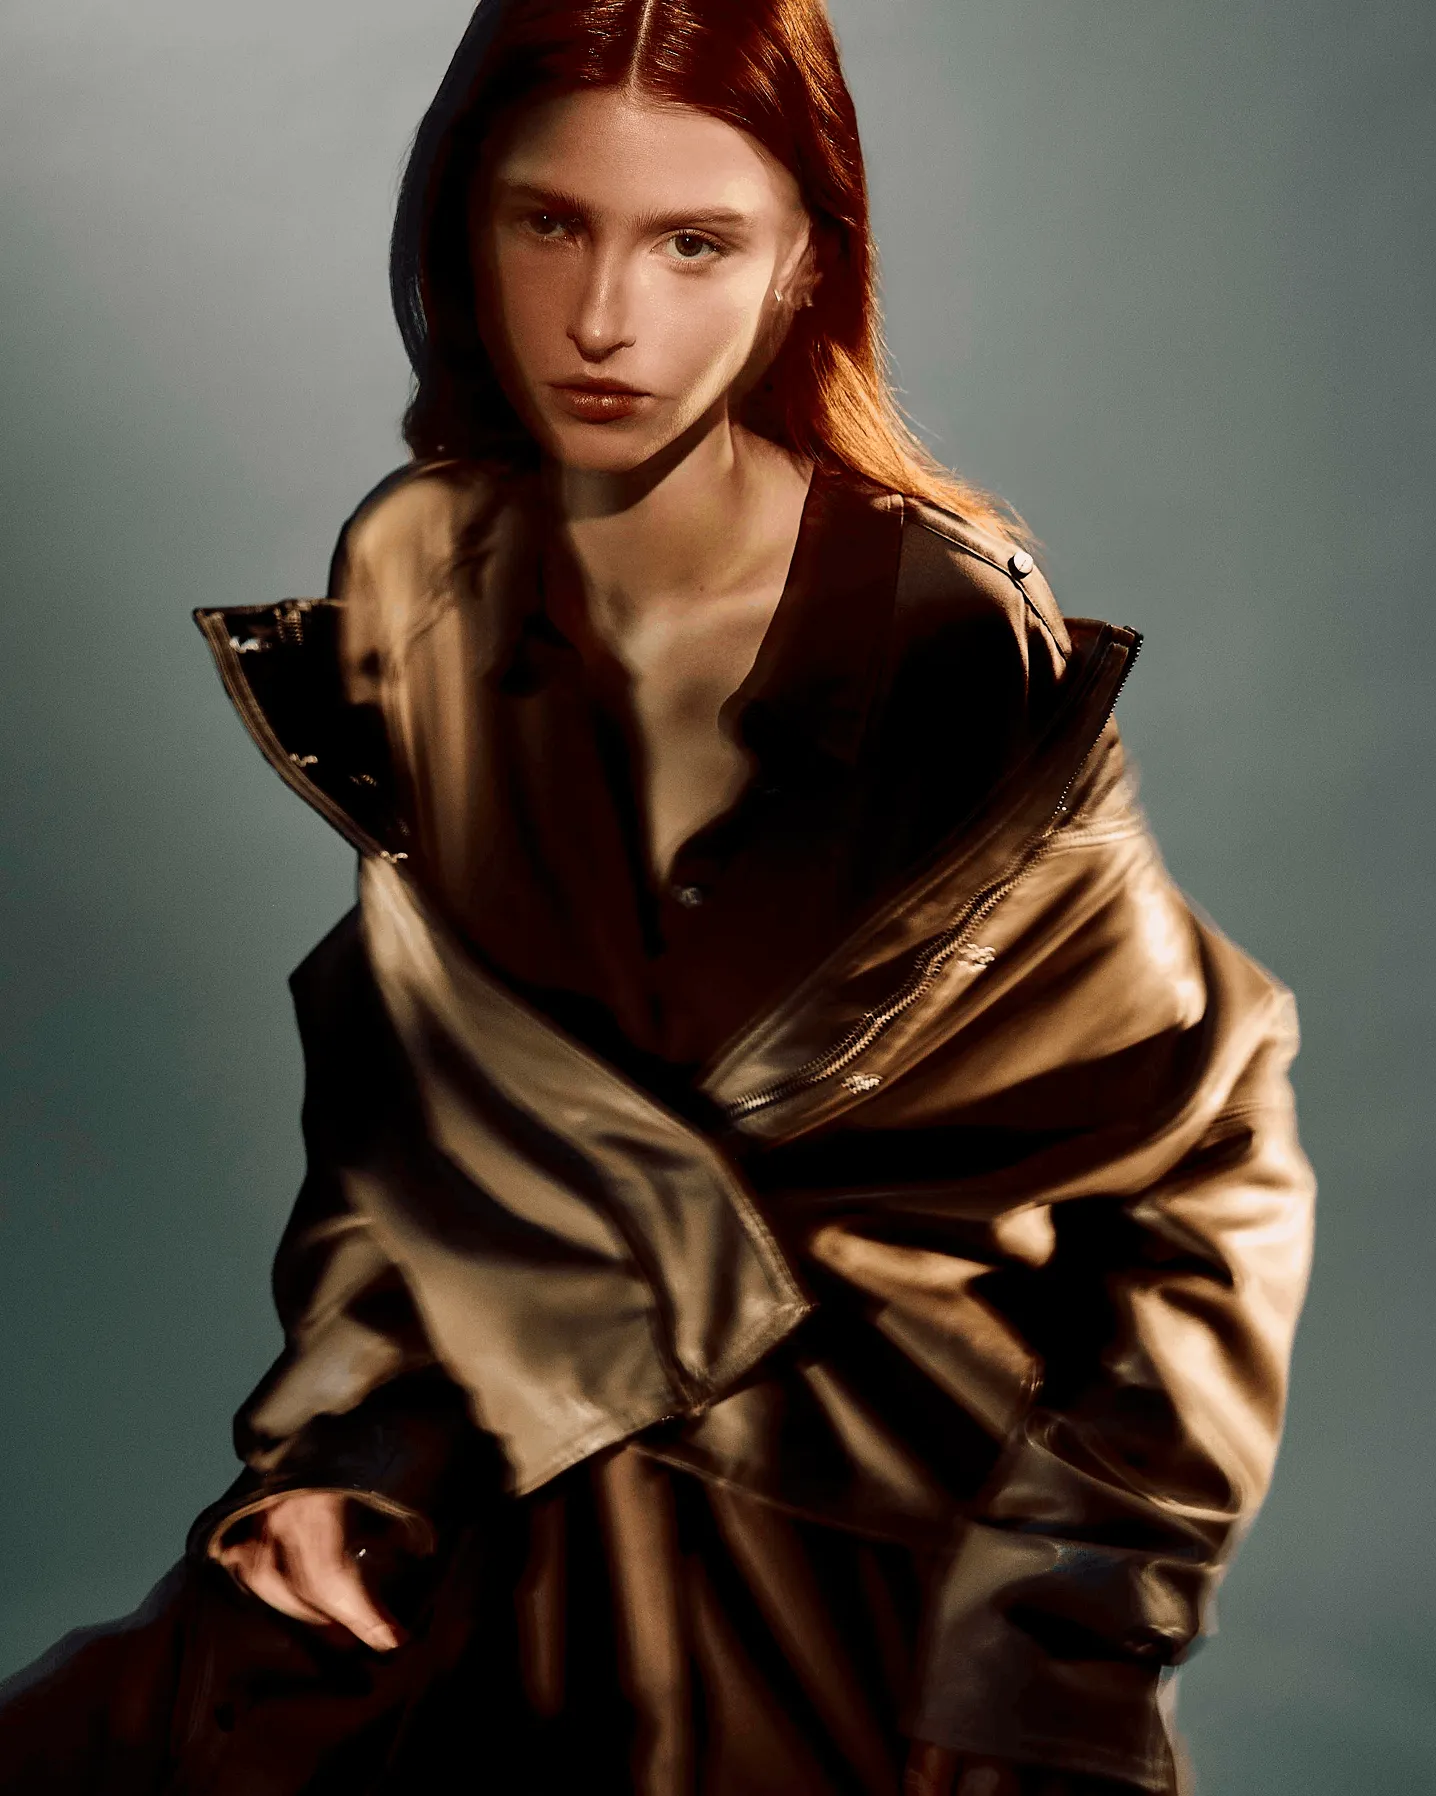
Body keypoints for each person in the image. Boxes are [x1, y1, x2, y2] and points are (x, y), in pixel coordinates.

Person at [0, 2, 1314, 1792]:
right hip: (491, 1477)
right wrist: (340, 1460)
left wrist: (1061, 1646)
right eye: (552, 223)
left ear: (800, 270)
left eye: (697, 243)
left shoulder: (934, 630)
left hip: (864, 1533)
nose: (607, 319)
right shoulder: (424, 576)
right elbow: (440, 1108)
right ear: (462, 227)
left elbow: (1199, 1152)